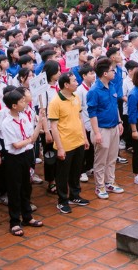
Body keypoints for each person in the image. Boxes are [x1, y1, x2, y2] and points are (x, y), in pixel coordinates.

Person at [0, 89, 42, 236]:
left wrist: (40, 123)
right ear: (14, 105)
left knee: (26, 187)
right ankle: (14, 221)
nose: (25, 103)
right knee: (14, 190)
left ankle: (27, 216)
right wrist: (29, 140)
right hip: (14, 159)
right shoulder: (7, 123)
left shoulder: (23, 117)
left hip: (26, 155)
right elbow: (16, 145)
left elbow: (32, 137)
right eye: (22, 101)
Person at [48, 72, 90, 213]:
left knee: (76, 171)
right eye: (74, 81)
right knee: (62, 174)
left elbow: (80, 118)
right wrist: (60, 148)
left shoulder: (75, 97)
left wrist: (84, 138)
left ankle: (75, 195)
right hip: (65, 145)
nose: (77, 83)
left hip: (78, 141)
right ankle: (62, 200)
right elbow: (54, 127)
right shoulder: (55, 102)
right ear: (66, 84)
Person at [86, 57, 125, 200]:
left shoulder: (112, 85)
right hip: (101, 129)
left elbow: (115, 106)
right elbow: (92, 113)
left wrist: (119, 121)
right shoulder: (94, 91)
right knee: (101, 160)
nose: (114, 72)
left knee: (112, 157)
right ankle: (100, 186)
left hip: (114, 126)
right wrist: (96, 133)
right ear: (104, 73)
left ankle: (110, 182)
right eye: (112, 70)